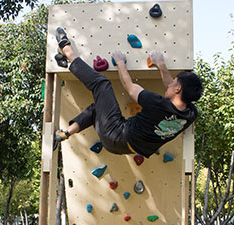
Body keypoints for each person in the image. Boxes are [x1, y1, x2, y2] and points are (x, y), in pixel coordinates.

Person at [53, 27, 203, 158]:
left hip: (117, 133)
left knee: (101, 84)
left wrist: (119, 63)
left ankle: (67, 51)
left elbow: (129, 86)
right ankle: (65, 132)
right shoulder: (190, 114)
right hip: (120, 147)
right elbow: (172, 88)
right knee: (98, 107)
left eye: (174, 81)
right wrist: (161, 65)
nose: (170, 83)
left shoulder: (156, 103)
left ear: (178, 89)